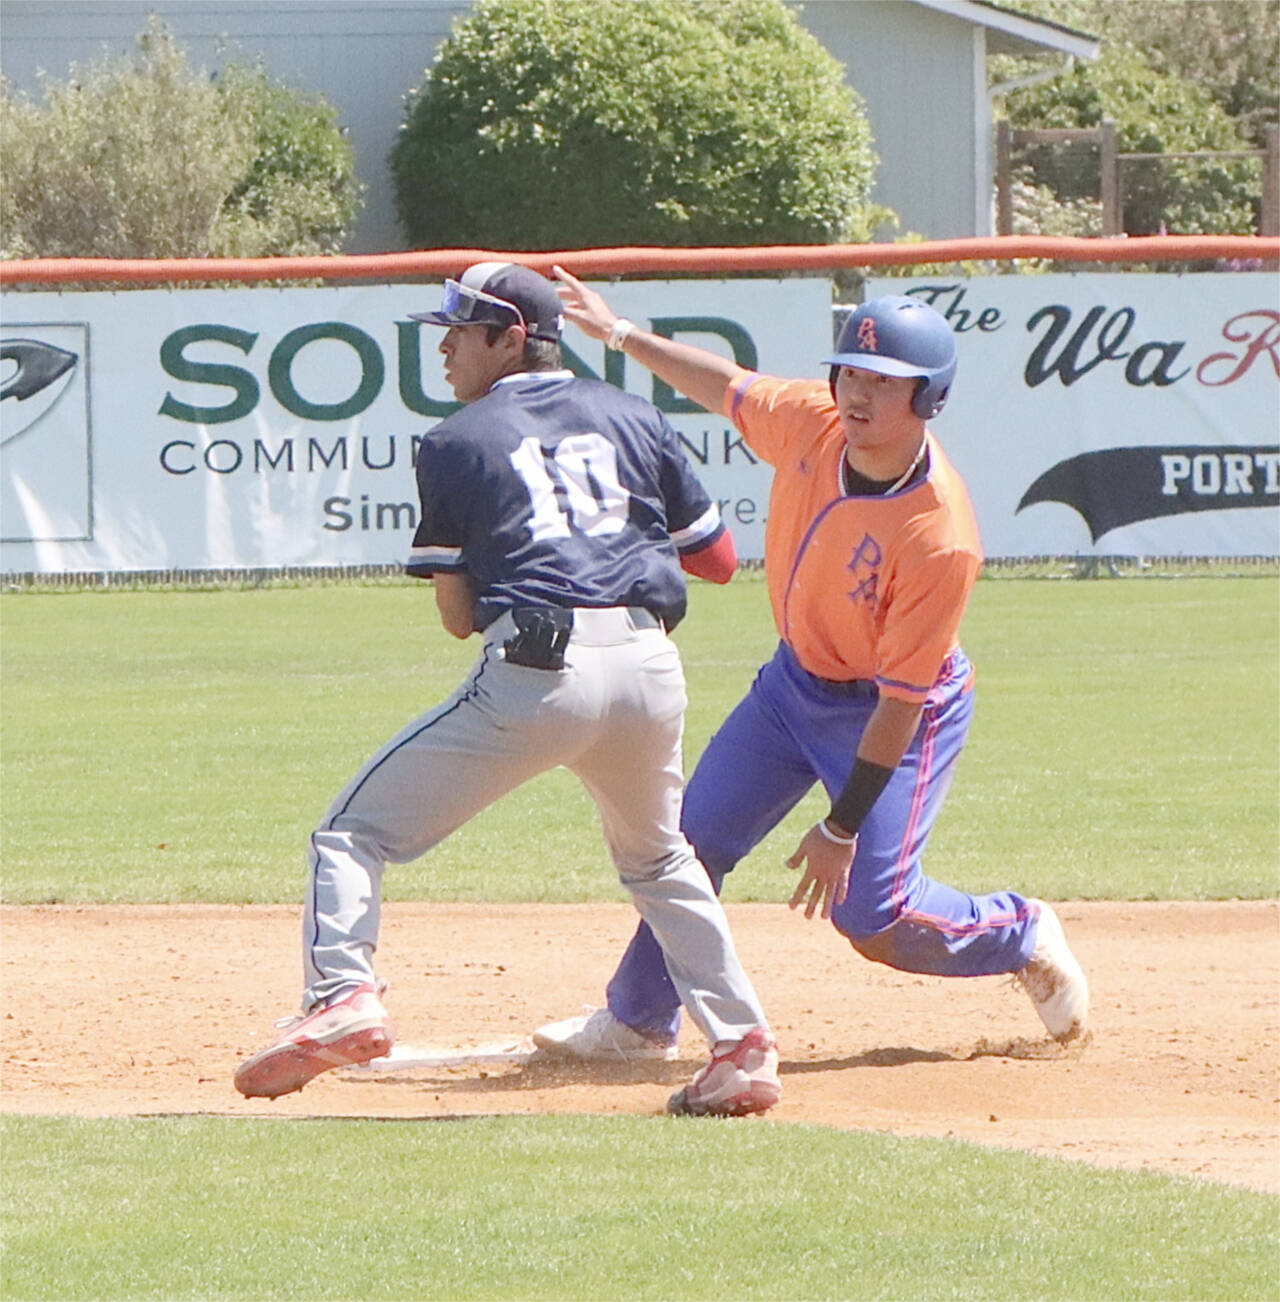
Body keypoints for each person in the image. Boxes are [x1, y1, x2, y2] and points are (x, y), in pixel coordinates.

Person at [233, 261, 781, 1117]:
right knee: (661, 859)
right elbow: (716, 562)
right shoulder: (636, 415)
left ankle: (342, 994)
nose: (444, 348)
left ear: (512, 336)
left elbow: (456, 616)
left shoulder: (456, 442)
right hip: (648, 668)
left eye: (460, 331)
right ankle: (743, 1046)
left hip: (535, 675)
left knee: (350, 834)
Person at [534, 269, 1089, 1063]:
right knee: (688, 843)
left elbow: (899, 703)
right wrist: (620, 335)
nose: (858, 394)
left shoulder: (940, 535)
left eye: (886, 382)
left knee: (874, 918)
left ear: (928, 399)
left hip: (895, 711)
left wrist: (839, 826)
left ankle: (1016, 930)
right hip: (793, 689)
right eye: (851, 373)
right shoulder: (812, 424)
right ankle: (637, 1020)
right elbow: (724, 385)